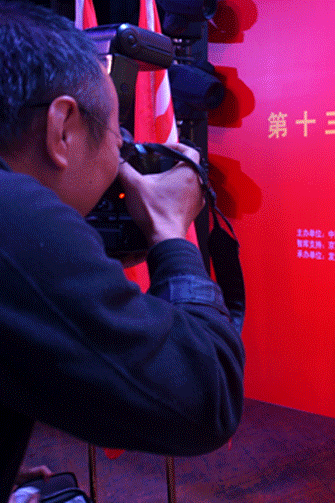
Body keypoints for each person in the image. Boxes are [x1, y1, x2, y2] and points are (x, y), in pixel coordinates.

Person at [0, 2, 245, 501]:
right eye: (119, 137)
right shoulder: (17, 218)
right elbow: (207, 398)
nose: (121, 158)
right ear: (62, 128)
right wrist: (171, 232)